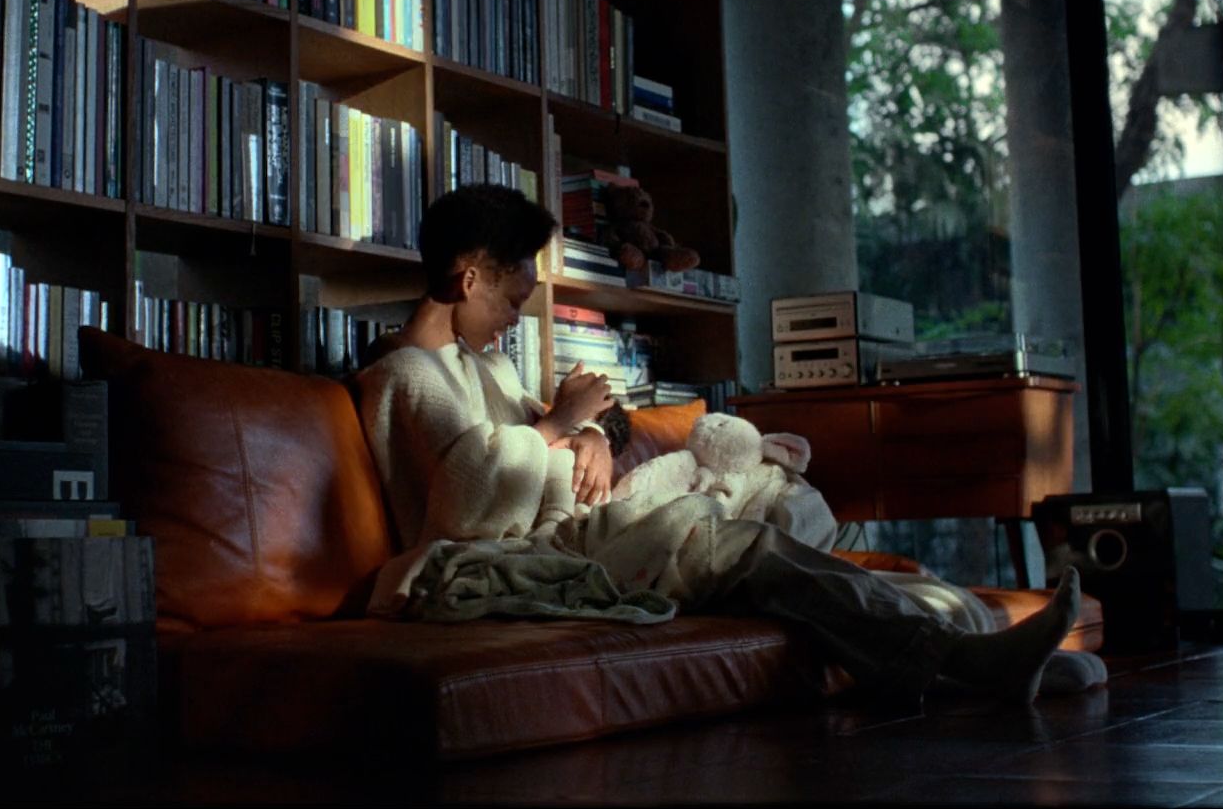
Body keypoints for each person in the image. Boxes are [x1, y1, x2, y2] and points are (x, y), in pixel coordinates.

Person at [356, 184, 1082, 707]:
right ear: (469, 274)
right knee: (740, 547)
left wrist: (586, 434)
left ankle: (963, 650)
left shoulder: (482, 364)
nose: (516, 317)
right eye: (512, 298)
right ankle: (964, 661)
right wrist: (554, 426)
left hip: (577, 528)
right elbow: (465, 507)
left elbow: (535, 436)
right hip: (540, 553)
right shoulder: (401, 377)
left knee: (763, 490)